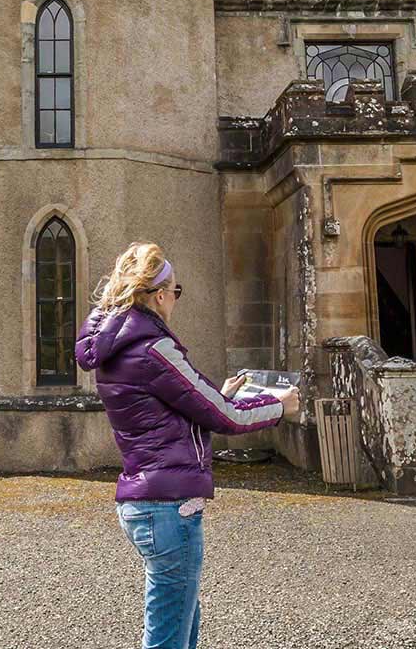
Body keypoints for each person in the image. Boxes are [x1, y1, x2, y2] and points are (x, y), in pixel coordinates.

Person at [76, 241, 299, 649]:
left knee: (181, 624)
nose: (175, 300)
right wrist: (278, 405)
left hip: (145, 503)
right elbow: (224, 417)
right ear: (160, 295)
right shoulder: (154, 349)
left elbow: (179, 406)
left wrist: (221, 392)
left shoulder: (119, 350)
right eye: (175, 291)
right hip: (168, 510)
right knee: (169, 640)